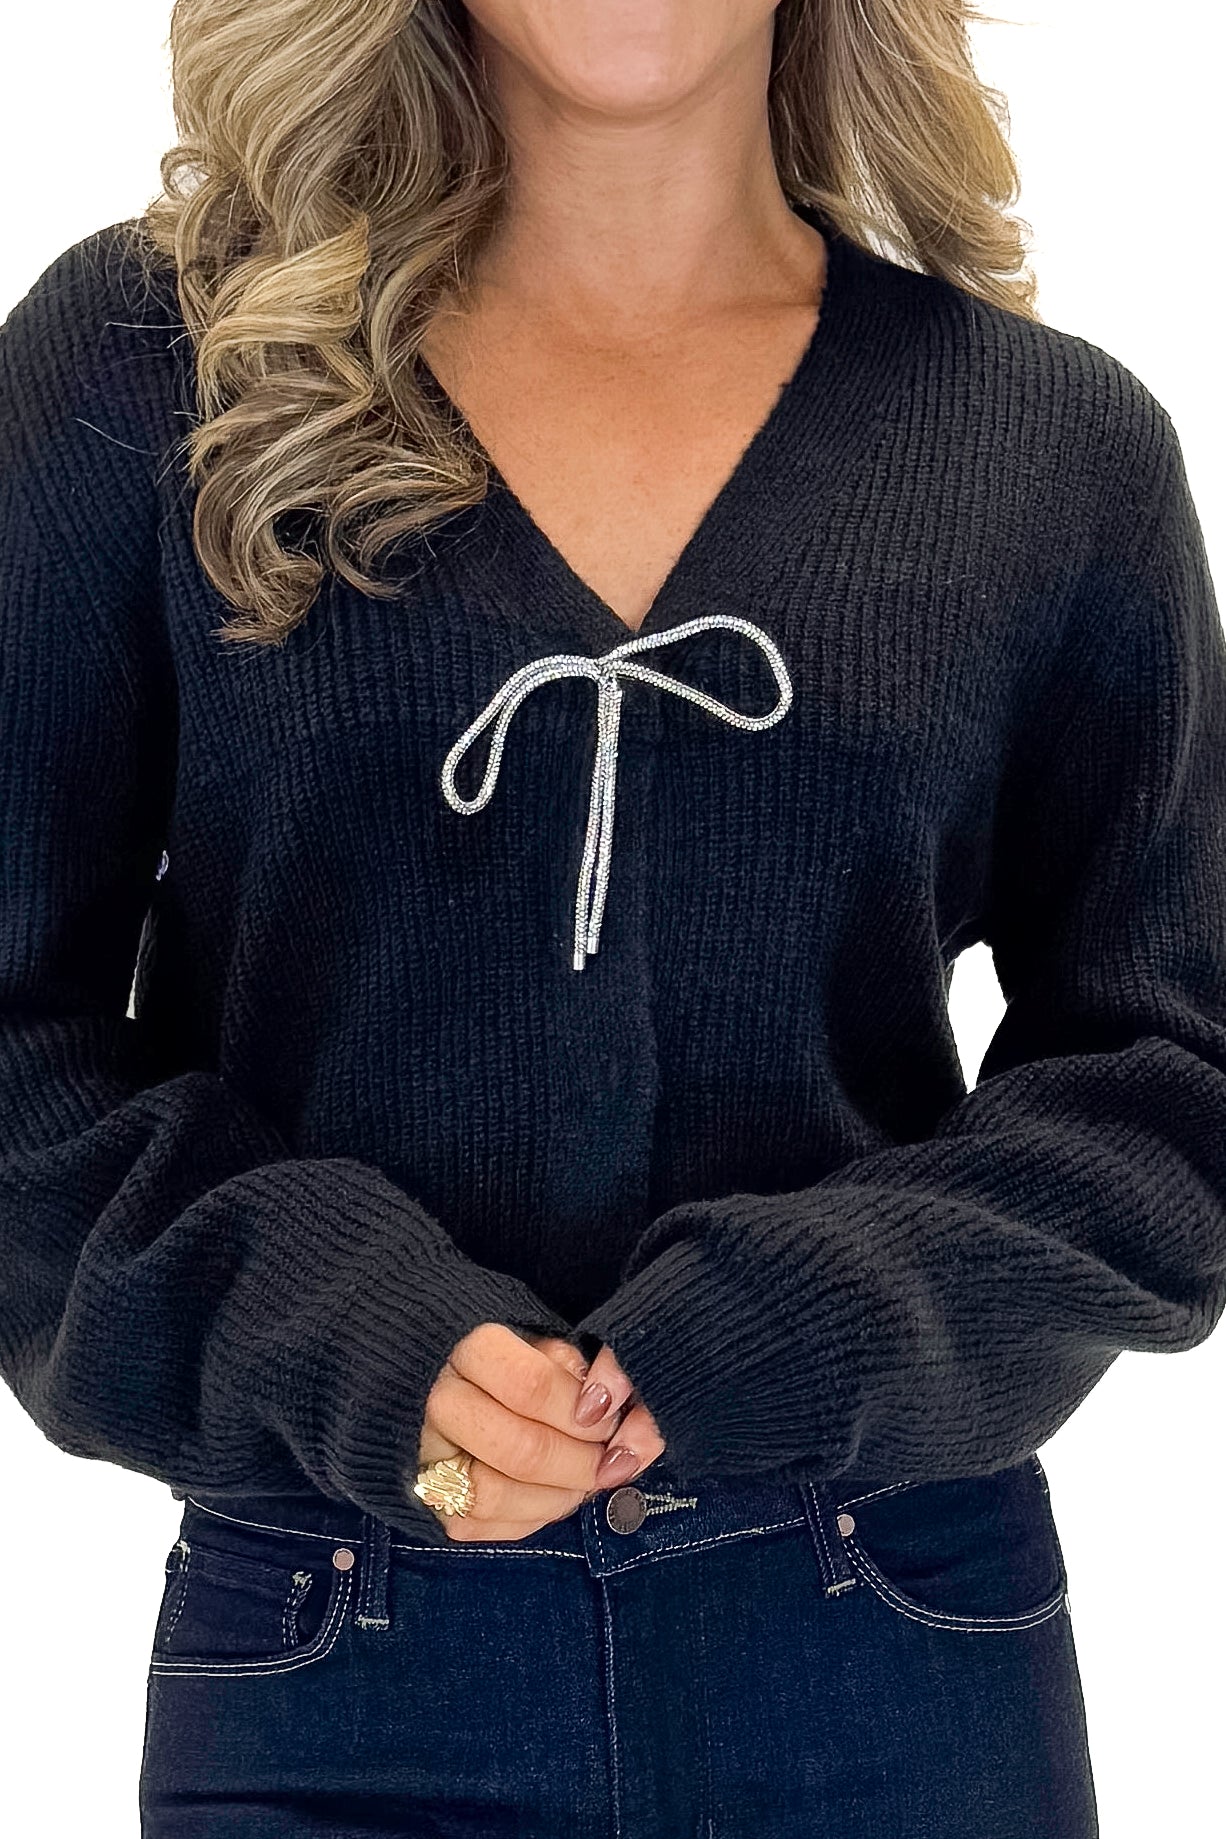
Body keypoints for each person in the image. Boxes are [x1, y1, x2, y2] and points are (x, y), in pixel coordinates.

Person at [2, 1, 1224, 1833]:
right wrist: (336, 1334)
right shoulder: (146, 373)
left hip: (895, 1640)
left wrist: (806, 1320)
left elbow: (1175, 1079)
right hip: (335, 1650)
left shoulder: (1051, 451)